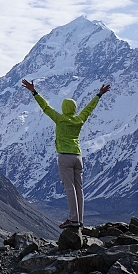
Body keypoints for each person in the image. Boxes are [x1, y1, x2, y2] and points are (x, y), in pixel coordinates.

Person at [21, 79, 111, 228]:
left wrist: (34, 92)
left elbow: (45, 107)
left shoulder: (60, 119)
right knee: (79, 189)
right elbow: (89, 109)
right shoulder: (79, 119)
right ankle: (80, 219)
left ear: (63, 108)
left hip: (65, 157)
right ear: (74, 109)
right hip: (78, 156)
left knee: (69, 188)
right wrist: (99, 95)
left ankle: (73, 219)